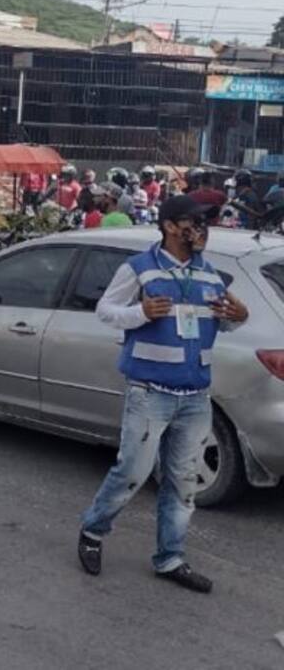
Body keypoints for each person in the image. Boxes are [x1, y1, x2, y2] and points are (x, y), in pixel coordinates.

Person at [78, 195, 248, 593]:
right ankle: (93, 530)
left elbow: (220, 327)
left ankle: (170, 558)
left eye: (205, 222)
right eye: (195, 222)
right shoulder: (138, 269)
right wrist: (140, 313)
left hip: (195, 395)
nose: (202, 229)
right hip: (149, 391)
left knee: (182, 481)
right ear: (171, 226)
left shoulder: (211, 276)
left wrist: (239, 319)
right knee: (132, 472)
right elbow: (105, 310)